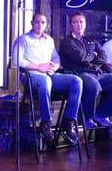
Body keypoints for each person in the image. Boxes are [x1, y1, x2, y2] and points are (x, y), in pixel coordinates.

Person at [12, 12, 82, 147]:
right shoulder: (23, 39)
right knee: (45, 81)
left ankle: (68, 120)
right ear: (32, 23)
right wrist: (39, 67)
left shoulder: (49, 40)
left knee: (76, 81)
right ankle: (46, 121)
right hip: (31, 75)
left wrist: (54, 67)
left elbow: (56, 58)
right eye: (37, 22)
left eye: (43, 22)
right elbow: (16, 59)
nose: (40, 25)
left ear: (46, 25)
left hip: (49, 74)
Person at [59, 11, 112, 129]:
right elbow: (79, 57)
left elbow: (103, 56)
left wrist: (92, 59)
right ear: (70, 25)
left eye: (81, 22)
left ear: (85, 24)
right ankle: (86, 118)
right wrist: (93, 55)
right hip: (79, 73)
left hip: (97, 72)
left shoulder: (90, 40)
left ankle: (101, 115)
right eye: (75, 22)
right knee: (93, 86)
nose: (78, 25)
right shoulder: (67, 42)